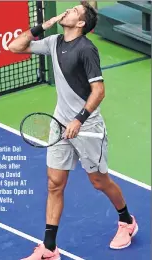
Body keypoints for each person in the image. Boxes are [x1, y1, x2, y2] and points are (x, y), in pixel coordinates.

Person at [8, 3, 138, 260]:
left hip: (86, 126)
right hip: (59, 124)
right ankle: (49, 248)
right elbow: (14, 47)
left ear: (81, 24)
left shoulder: (87, 50)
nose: (68, 10)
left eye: (75, 11)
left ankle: (127, 221)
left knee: (98, 181)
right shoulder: (54, 41)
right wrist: (44, 26)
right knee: (55, 183)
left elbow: (99, 91)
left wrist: (79, 119)